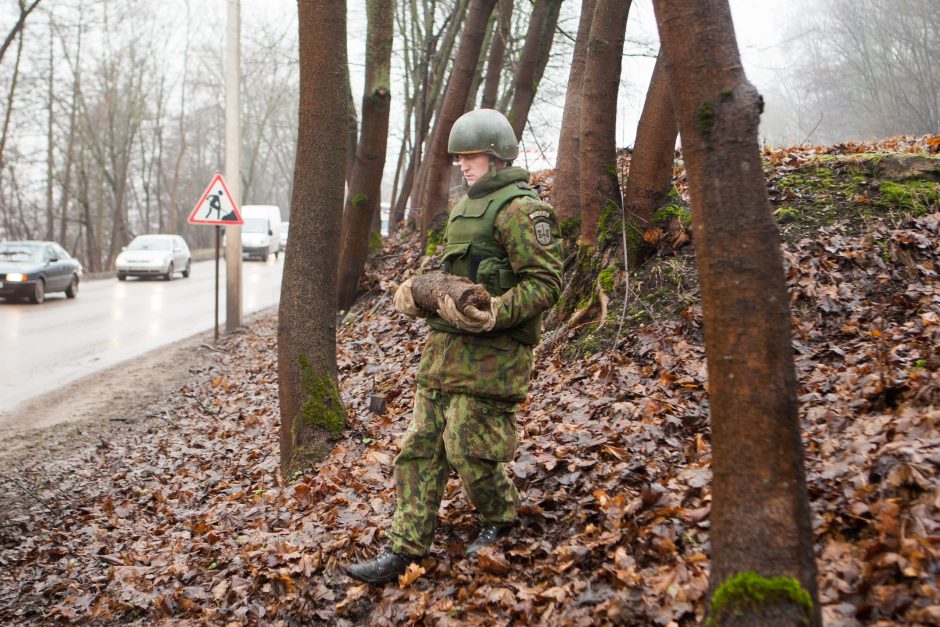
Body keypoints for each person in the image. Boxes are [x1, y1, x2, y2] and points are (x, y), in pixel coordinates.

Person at [344, 109, 564, 585]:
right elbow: (452, 278)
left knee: (469, 449)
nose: (464, 166)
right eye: (461, 158)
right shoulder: (465, 210)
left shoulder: (523, 210)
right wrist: (421, 294)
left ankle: (500, 516)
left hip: (494, 358)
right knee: (419, 449)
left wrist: (496, 312)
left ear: (499, 157)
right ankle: (403, 548)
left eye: (473, 157)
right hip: (444, 354)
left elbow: (547, 283)